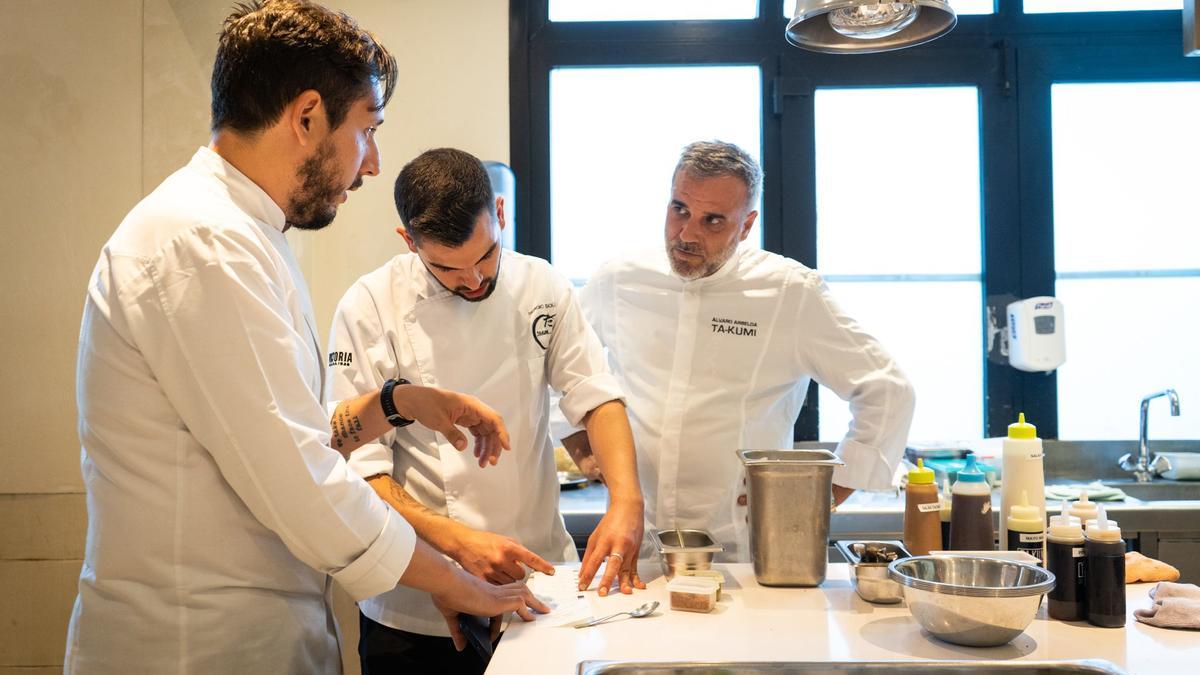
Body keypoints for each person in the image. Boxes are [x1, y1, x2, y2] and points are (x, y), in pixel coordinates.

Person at [65, 3, 545, 673]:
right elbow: (302, 480)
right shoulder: (204, 242)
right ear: (307, 116)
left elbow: (286, 433)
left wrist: (399, 402)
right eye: (367, 130)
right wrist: (456, 578)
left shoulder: (247, 232)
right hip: (195, 647)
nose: (373, 163)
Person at [326, 147, 645, 674]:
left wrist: (627, 501)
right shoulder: (369, 305)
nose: (473, 279)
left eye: (486, 256)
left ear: (499, 214)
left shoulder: (543, 286)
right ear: (410, 242)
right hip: (414, 606)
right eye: (447, 268)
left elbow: (594, 395)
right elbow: (358, 468)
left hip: (536, 586)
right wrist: (459, 549)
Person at [559, 140, 916, 560]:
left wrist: (826, 494)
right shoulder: (619, 280)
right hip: (638, 543)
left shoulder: (789, 291)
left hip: (748, 551)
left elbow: (888, 390)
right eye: (679, 210)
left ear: (746, 226)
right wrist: (581, 449)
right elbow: (561, 367)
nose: (687, 234)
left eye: (713, 220)